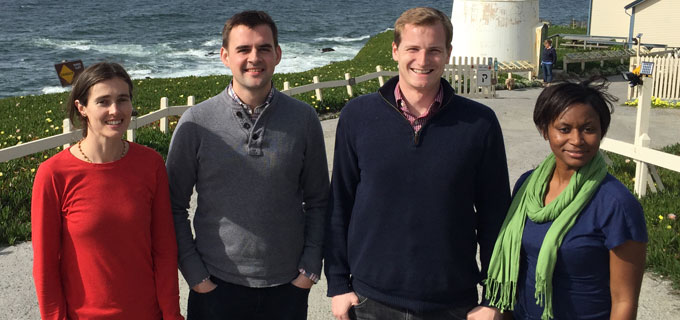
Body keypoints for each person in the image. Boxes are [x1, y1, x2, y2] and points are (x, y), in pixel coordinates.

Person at [325, 7, 511, 320]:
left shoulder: (480, 123)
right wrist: (338, 283)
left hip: (454, 303)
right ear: (395, 50)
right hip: (370, 300)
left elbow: (496, 216)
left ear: (449, 53)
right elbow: (340, 203)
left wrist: (494, 298)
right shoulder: (357, 116)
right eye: (413, 49)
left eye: (434, 50)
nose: (423, 61)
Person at [166, 10, 329, 320]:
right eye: (243, 49)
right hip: (215, 287)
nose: (254, 58)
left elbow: (320, 201)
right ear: (225, 56)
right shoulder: (196, 123)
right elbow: (173, 206)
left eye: (264, 48)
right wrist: (196, 276)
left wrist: (308, 270)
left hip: (287, 289)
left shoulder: (304, 119)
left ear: (278, 54)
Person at [485, 78, 647, 320]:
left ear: (601, 131)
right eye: (564, 129)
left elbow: (625, 300)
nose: (577, 140)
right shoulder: (528, 186)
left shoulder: (616, 205)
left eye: (589, 129)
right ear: (544, 130)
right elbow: (517, 269)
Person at [31, 62, 183, 320]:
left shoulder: (150, 163)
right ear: (82, 108)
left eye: (122, 99)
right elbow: (45, 267)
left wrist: (172, 315)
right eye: (103, 101)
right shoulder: (53, 174)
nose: (115, 110)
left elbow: (164, 249)